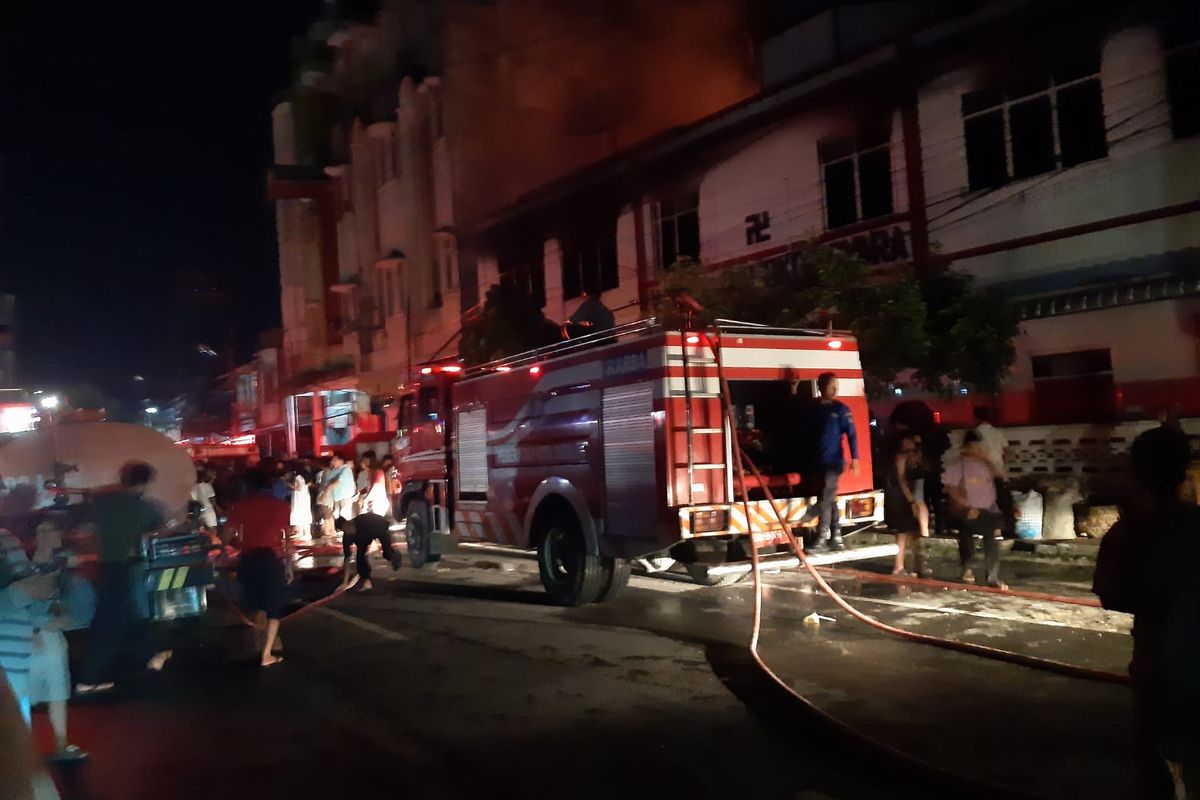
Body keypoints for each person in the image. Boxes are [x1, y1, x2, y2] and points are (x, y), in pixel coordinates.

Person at [1094, 425, 1199, 799]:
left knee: (1155, 770)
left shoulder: (1129, 533)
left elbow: (1111, 594)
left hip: (1159, 669)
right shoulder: (1194, 524)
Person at [77, 462, 173, 694]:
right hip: (125, 564)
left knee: (126, 613)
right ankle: (88, 680)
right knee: (112, 622)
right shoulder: (142, 507)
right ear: (143, 483)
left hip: (103, 564)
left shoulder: (103, 501)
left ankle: (149, 655)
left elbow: (86, 529)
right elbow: (162, 528)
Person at [28, 522, 86, 762]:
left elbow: (73, 600)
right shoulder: (24, 567)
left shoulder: (63, 564)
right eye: (43, 532)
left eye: (52, 531)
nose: (50, 536)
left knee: (58, 692)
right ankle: (23, 753)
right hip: (32, 636)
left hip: (53, 636)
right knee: (25, 695)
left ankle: (61, 743)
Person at [225, 467, 292, 668]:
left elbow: (227, 535)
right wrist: (288, 564)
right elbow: (287, 538)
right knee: (273, 607)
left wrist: (227, 547)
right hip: (271, 559)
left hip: (249, 558)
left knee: (254, 603)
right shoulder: (281, 506)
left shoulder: (240, 506)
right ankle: (267, 652)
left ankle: (257, 642)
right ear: (270, 484)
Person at [799, 372, 859, 551]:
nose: (835, 389)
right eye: (831, 386)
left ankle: (821, 537)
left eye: (836, 386)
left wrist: (855, 458)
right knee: (829, 498)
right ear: (820, 387)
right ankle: (837, 536)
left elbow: (852, 435)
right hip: (817, 461)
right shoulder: (813, 408)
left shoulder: (841, 409)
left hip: (834, 462)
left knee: (826, 496)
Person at [942, 430, 1007, 589]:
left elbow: (1000, 475)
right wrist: (967, 506)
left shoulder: (985, 463)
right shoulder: (958, 464)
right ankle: (967, 567)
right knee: (967, 532)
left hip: (988, 509)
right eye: (975, 446)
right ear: (967, 447)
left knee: (991, 538)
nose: (979, 449)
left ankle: (992, 577)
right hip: (966, 510)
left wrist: (987, 459)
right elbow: (951, 489)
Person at [885, 433, 929, 576]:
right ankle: (899, 566)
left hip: (907, 497)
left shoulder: (912, 458)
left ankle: (910, 565)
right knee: (902, 533)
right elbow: (901, 480)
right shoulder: (901, 458)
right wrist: (911, 501)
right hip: (900, 498)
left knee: (909, 533)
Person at [339, 512, 402, 591]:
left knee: (387, 553)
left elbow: (381, 523)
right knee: (360, 558)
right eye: (345, 531)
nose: (348, 532)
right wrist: (345, 581)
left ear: (349, 523)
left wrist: (387, 537)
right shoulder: (347, 536)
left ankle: (396, 556)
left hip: (379, 528)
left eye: (347, 528)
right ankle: (367, 580)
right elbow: (347, 558)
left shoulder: (363, 520)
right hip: (364, 539)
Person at [326, 454, 356, 526]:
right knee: (336, 514)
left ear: (341, 461)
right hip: (336, 496)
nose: (332, 462)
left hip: (345, 496)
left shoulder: (345, 469)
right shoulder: (335, 470)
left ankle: (347, 531)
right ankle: (341, 530)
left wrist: (327, 489)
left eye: (334, 460)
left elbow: (338, 481)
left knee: (344, 514)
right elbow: (328, 481)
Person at [289, 471, 313, 542]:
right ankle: (304, 533)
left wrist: (288, 484)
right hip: (304, 498)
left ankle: (303, 533)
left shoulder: (298, 477)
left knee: (300, 513)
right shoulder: (304, 479)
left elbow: (298, 488)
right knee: (304, 514)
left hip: (300, 499)